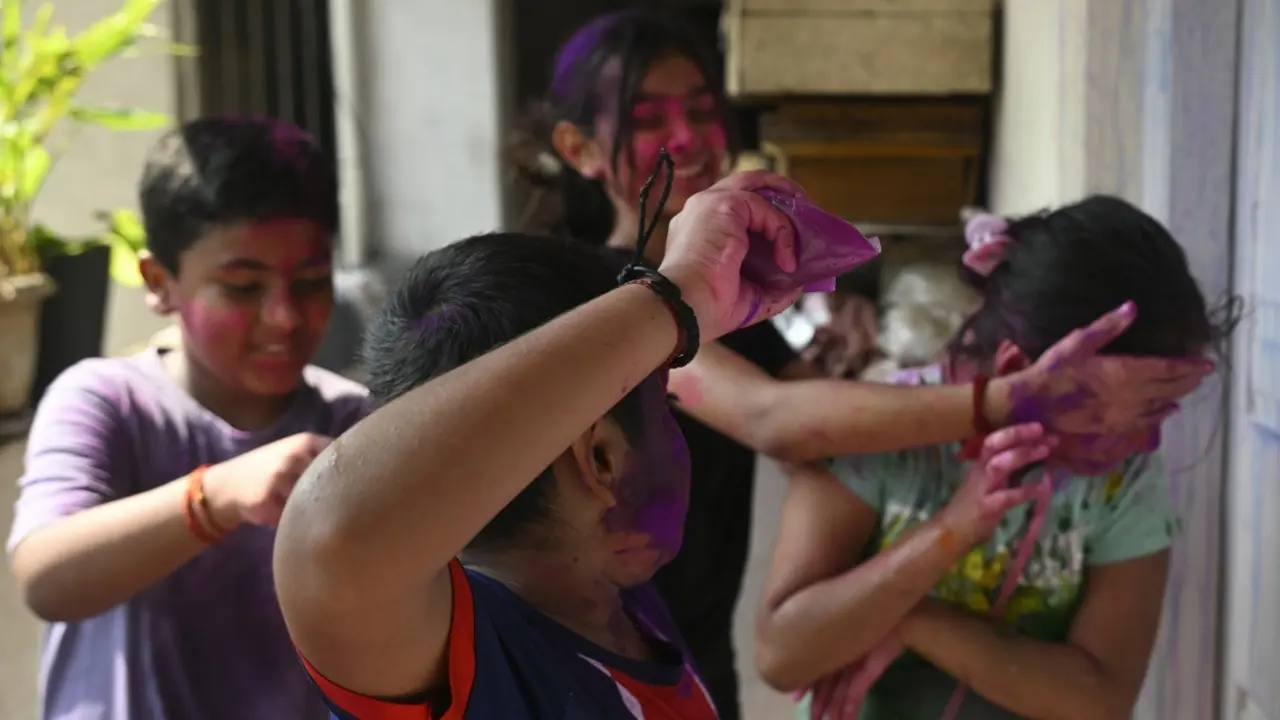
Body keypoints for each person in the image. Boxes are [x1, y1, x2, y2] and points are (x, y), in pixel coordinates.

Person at [508, 10, 1215, 719]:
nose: (689, 137)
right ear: (578, 148)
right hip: (581, 651)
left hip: (686, 645)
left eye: (701, 109)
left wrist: (837, 355)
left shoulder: (724, 301)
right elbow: (776, 423)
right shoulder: (613, 301)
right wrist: (1008, 403)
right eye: (647, 118)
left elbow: (817, 429)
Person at [754, 197, 1239, 720]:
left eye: (1159, 411)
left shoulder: (1123, 480)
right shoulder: (881, 433)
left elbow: (1099, 700)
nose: (1147, 443)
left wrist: (912, 620)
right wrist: (953, 530)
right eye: (1116, 415)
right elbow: (783, 655)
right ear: (1017, 370)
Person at [6, 118, 369, 720]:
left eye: (310, 282)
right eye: (243, 287)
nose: (283, 316)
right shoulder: (106, 402)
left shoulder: (353, 421)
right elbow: (46, 578)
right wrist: (215, 496)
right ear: (159, 283)